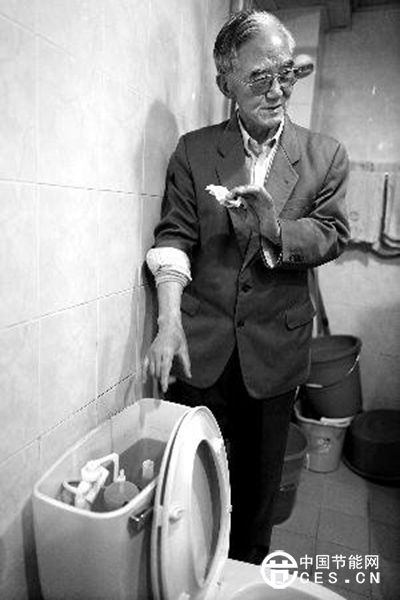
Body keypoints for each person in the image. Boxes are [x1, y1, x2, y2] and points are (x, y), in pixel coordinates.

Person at [144, 9, 350, 564]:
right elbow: (174, 236)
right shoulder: (194, 150)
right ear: (225, 83)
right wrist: (167, 322)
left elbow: (332, 235)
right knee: (187, 485)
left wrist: (274, 227)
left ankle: (246, 574)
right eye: (259, 77)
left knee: (257, 498)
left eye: (285, 73)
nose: (277, 90)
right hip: (201, 348)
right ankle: (191, 572)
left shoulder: (324, 155)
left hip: (276, 353)